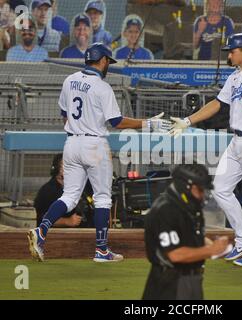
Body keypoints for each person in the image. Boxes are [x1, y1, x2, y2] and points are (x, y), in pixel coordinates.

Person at [27, 42, 172, 263]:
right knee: (103, 197)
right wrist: (148, 124)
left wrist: (79, 129)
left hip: (72, 143)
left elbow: (64, 115)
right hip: (94, 144)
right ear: (102, 60)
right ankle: (102, 250)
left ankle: (42, 231)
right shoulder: (102, 87)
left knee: (69, 196)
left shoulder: (69, 80)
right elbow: (117, 122)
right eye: (107, 61)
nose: (108, 66)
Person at [170, 33, 242, 267]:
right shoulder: (235, 77)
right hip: (237, 141)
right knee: (220, 189)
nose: (229, 54)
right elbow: (217, 104)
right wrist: (188, 121)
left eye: (232, 50)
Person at [143, 164, 229, 300]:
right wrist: (211, 250)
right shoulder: (165, 210)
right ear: (186, 186)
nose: (203, 195)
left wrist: (207, 242)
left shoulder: (188, 205)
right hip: (170, 286)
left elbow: (189, 233)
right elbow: (175, 254)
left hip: (191, 280)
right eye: (200, 189)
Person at [34, 154, 94, 228]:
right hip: (58, 236)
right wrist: (67, 221)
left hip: (85, 234)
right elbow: (42, 218)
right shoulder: (48, 191)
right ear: (57, 169)